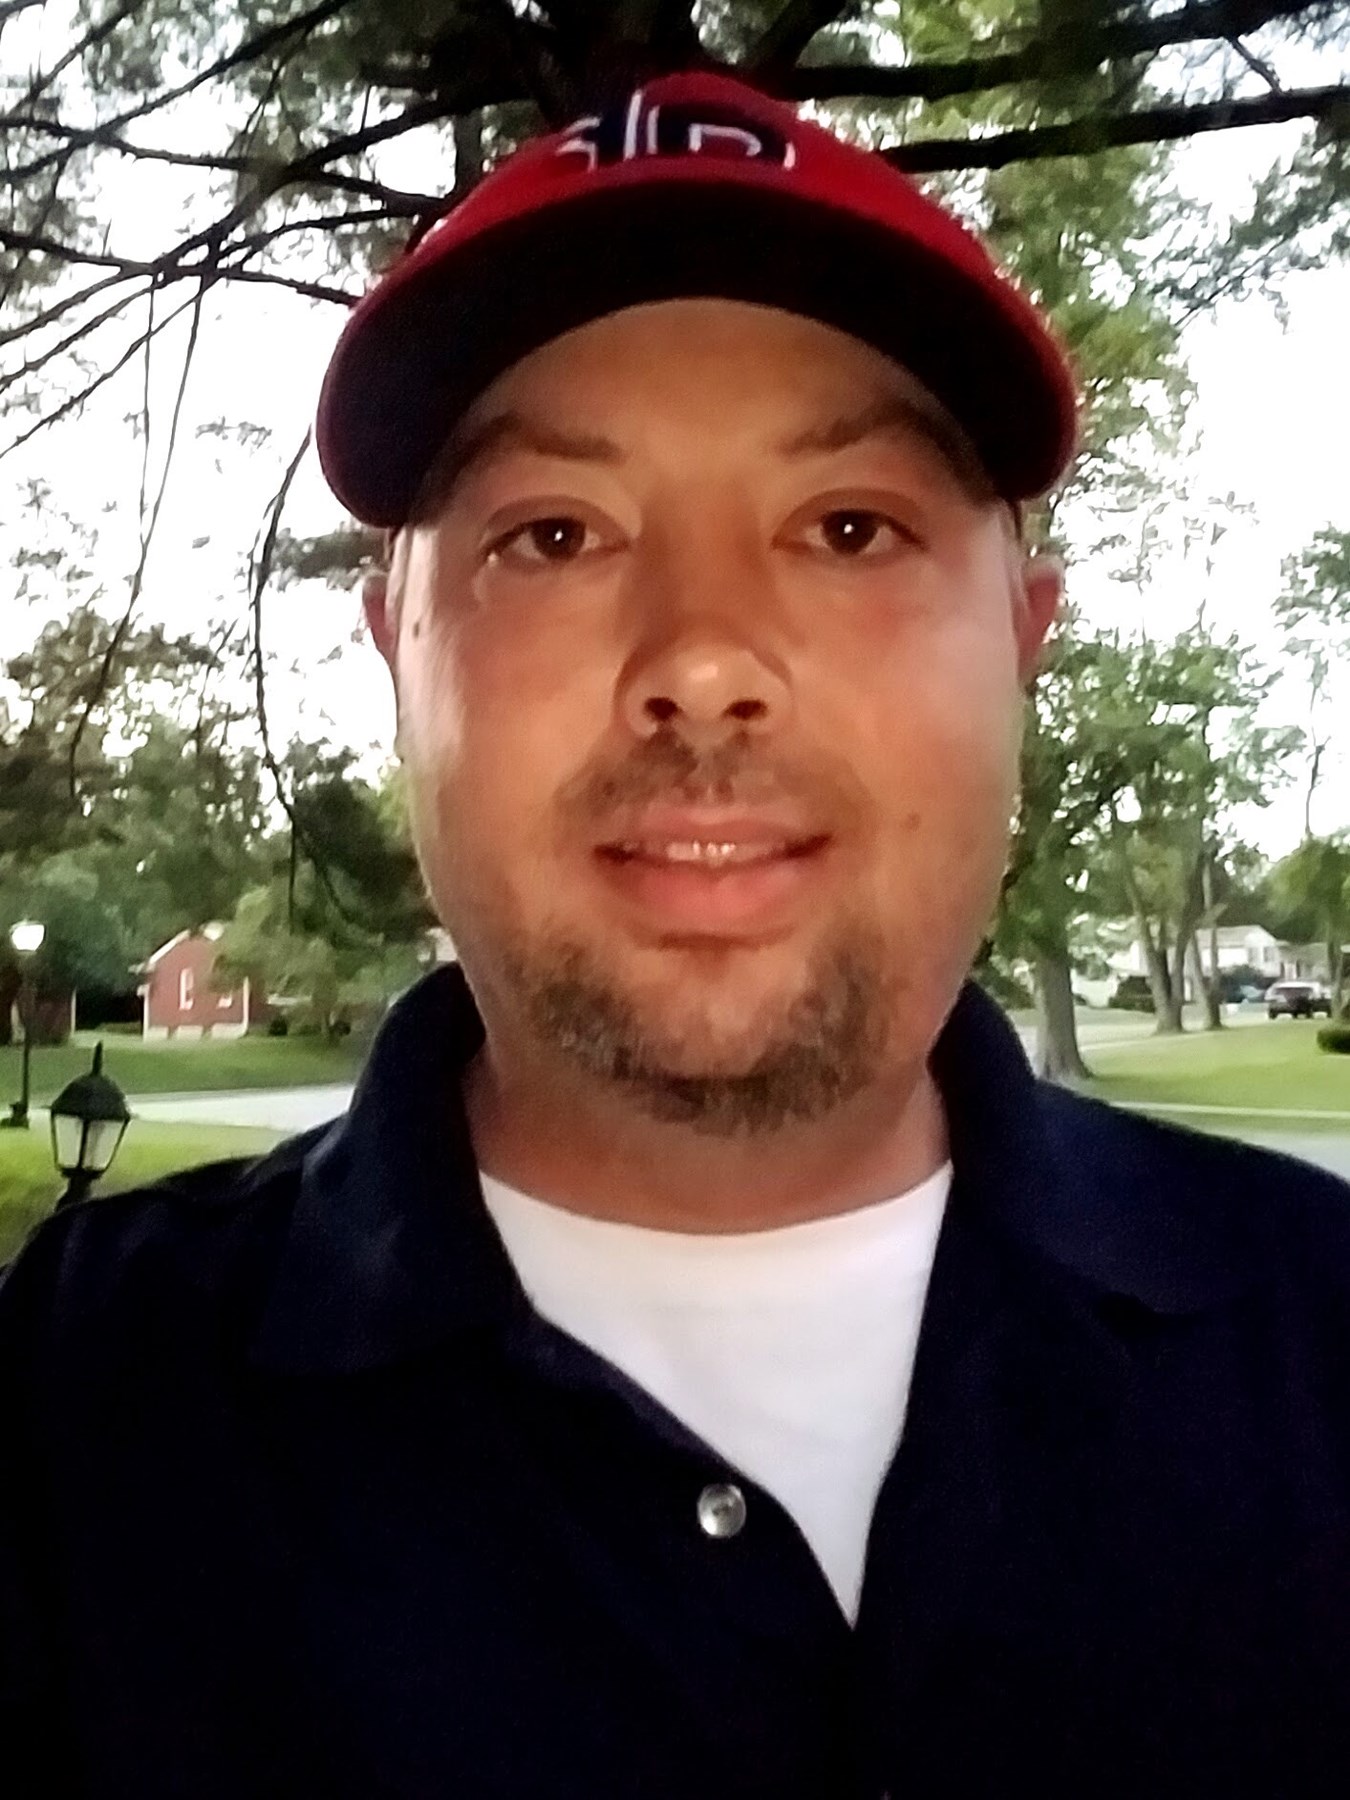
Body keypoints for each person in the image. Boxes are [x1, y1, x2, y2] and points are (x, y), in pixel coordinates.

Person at [3, 69, 1350, 1800]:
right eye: (554, 536)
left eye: (848, 528)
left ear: (1023, 638)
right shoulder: (70, 1411)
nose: (702, 659)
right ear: (399, 652)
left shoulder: (1322, 1335)